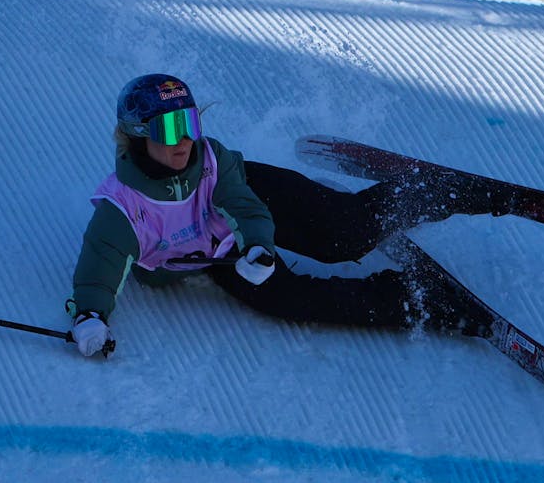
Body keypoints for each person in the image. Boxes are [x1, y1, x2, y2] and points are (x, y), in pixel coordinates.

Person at [67, 74, 512, 357]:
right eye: (168, 129)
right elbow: (99, 268)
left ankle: (438, 192)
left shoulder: (213, 161)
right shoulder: (124, 210)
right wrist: (90, 317)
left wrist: (259, 246)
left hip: (252, 200)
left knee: (345, 237)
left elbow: (242, 205)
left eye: (189, 123)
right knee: (289, 302)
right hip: (217, 254)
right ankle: (417, 299)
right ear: (137, 136)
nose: (184, 139)